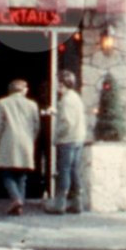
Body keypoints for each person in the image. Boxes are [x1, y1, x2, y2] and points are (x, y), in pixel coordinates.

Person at [0, 78, 39, 216]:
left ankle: (16, 199)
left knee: (7, 173)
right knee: (22, 176)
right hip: (26, 140)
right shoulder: (32, 105)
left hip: (8, 139)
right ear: (23, 90)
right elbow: (36, 125)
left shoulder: (2, 103)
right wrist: (32, 139)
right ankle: (19, 205)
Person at [45, 69, 88, 214]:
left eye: (57, 82)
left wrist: (56, 136)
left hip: (67, 140)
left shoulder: (66, 100)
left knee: (63, 171)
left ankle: (59, 205)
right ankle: (77, 203)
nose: (55, 85)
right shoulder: (75, 97)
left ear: (62, 83)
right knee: (73, 171)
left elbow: (67, 123)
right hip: (77, 139)